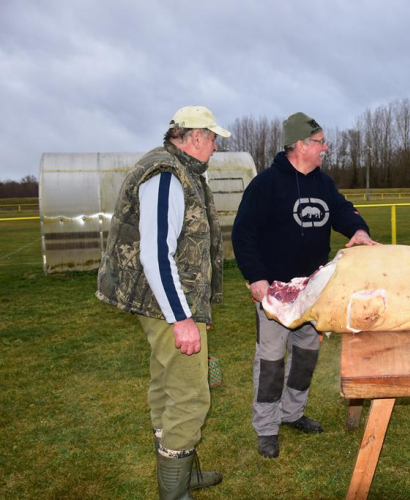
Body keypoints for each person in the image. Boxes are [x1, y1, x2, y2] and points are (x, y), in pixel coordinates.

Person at [96, 105, 229, 498]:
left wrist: (195, 311)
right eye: (213, 139)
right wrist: (182, 319)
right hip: (166, 307)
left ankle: (183, 473)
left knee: (167, 386)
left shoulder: (179, 170)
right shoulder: (167, 176)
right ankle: (174, 492)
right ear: (194, 137)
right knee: (189, 395)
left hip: (167, 304)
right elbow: (155, 254)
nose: (216, 147)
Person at [232, 111, 377, 459]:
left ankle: (292, 412)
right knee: (270, 362)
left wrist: (358, 229)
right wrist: (256, 278)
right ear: (299, 145)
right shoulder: (266, 184)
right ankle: (266, 427)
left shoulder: (323, 183)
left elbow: (342, 210)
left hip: (313, 291)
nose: (325, 147)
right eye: (320, 142)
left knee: (306, 357)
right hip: (275, 293)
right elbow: (243, 233)